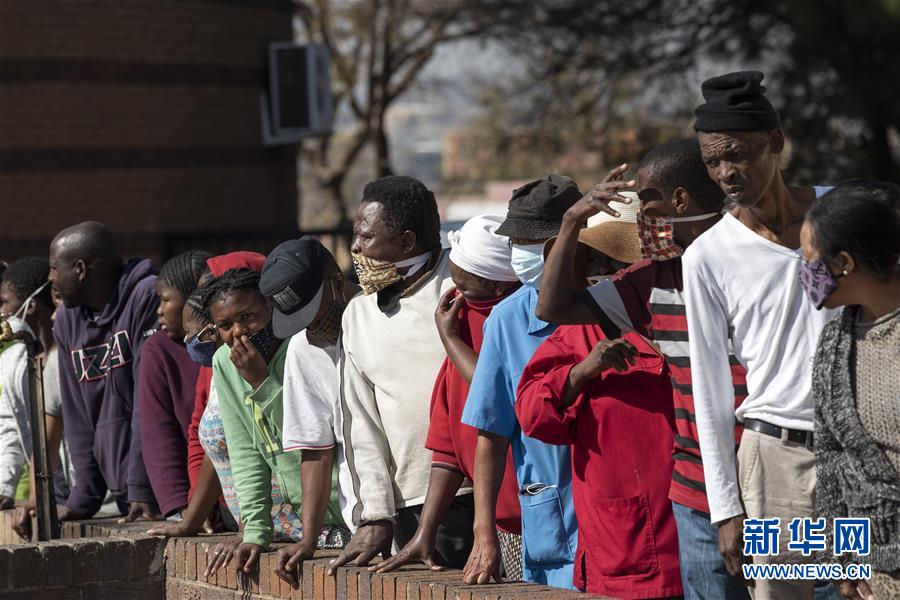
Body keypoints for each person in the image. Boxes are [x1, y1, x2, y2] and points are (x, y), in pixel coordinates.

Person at [536, 139, 752, 599]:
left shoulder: (755, 261)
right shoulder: (652, 280)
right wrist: (574, 219)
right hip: (697, 493)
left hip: (765, 480)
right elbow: (551, 306)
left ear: (679, 201)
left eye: (647, 199)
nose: (640, 214)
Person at [682, 71, 835, 599]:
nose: (725, 172)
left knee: (868, 589)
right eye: (712, 161)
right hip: (776, 468)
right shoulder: (707, 256)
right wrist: (725, 507)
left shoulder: (840, 216)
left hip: (859, 461)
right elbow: (710, 390)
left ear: (775, 143)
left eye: (738, 154)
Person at [460, 175, 629, 588]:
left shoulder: (622, 303)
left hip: (622, 516)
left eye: (527, 244)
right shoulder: (506, 320)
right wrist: (484, 534)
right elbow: (491, 434)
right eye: (514, 244)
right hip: (554, 522)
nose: (518, 256)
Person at [329, 175, 474, 574]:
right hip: (412, 502)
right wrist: (374, 514)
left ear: (407, 243)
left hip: (482, 488)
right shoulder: (358, 314)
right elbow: (360, 424)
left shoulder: (464, 285)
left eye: (366, 237)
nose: (355, 247)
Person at [371, 214, 523, 579]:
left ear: (497, 285)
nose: (452, 297)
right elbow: (448, 448)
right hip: (496, 523)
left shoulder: (518, 323)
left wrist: (451, 340)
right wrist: (426, 531)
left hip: (537, 515)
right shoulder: (460, 324)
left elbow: (503, 395)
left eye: (464, 287)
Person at [516, 325, 681, 598]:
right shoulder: (582, 333)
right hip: (630, 550)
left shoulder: (702, 317)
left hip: (706, 536)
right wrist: (581, 371)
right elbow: (532, 416)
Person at [198, 267, 344, 575]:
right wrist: (255, 533)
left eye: (248, 317)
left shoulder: (301, 345)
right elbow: (245, 449)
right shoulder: (224, 362)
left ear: (271, 308)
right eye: (225, 325)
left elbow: (310, 433)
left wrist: (261, 382)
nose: (238, 332)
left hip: (344, 501)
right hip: (303, 515)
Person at [801, 181, 900, 600]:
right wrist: (844, 560)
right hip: (874, 579)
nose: (803, 274)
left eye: (809, 261)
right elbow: (831, 459)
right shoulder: (833, 345)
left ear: (843, 262)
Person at [257, 237, 358, 588]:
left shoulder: (383, 319)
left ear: (336, 283)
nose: (311, 324)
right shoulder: (301, 350)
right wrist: (308, 538)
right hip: (362, 520)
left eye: (313, 310)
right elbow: (316, 450)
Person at [49, 221, 161, 522]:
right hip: (126, 496)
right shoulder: (66, 321)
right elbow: (77, 417)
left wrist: (142, 486)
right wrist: (84, 497)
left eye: (54, 269)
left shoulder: (146, 297)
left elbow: (148, 402)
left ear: (80, 269)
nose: (50, 278)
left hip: (161, 490)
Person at [138, 250, 211, 518]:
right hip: (189, 502)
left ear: (195, 299)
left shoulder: (228, 344)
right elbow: (159, 433)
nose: (158, 311)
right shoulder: (158, 349)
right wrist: (181, 507)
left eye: (165, 300)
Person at [0, 257, 71, 511]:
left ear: (29, 306)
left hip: (85, 498)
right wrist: (4, 487)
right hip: (43, 495)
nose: (2, 312)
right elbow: (10, 425)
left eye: (6, 303)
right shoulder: (12, 362)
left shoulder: (67, 357)